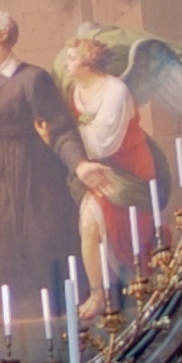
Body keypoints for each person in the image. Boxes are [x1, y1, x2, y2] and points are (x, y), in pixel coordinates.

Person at [0, 13, 83, 285]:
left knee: (41, 245)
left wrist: (80, 164)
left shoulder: (33, 78)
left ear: (2, 36)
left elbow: (61, 130)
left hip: (37, 170)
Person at [59, 27, 155, 298]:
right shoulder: (73, 89)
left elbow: (105, 142)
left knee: (130, 235)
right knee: (89, 225)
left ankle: (138, 287)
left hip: (127, 168)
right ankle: (98, 295)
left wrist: (64, 138)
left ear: (88, 61)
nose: (66, 63)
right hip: (95, 168)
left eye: (72, 58)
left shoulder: (115, 90)